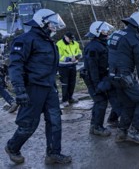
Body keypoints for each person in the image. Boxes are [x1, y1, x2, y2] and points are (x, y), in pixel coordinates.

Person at [5, 9, 72, 165]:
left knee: (55, 121)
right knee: (29, 124)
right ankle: (12, 147)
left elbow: (49, 67)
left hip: (49, 88)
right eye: (52, 23)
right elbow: (15, 67)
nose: (55, 26)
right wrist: (20, 90)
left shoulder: (49, 41)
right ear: (43, 22)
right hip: (32, 89)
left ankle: (53, 153)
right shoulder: (25, 39)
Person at [108, 11, 139, 145]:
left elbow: (111, 54)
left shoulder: (116, 34)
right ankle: (134, 132)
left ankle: (122, 132)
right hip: (125, 78)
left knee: (128, 104)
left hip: (113, 76)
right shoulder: (135, 40)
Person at [83, 21, 113, 137]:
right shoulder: (93, 47)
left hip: (100, 78)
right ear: (98, 32)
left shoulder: (101, 44)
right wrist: (96, 85)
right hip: (94, 79)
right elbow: (92, 68)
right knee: (101, 102)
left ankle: (94, 125)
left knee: (99, 102)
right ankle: (97, 127)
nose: (107, 32)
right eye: (105, 30)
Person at [56, 31, 82, 107]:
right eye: (69, 39)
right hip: (63, 67)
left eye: (72, 39)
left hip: (73, 66)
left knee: (72, 83)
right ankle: (64, 100)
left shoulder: (75, 43)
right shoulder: (59, 44)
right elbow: (59, 56)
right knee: (65, 83)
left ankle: (70, 98)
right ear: (65, 36)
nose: (71, 40)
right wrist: (69, 59)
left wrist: (78, 56)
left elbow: (79, 52)